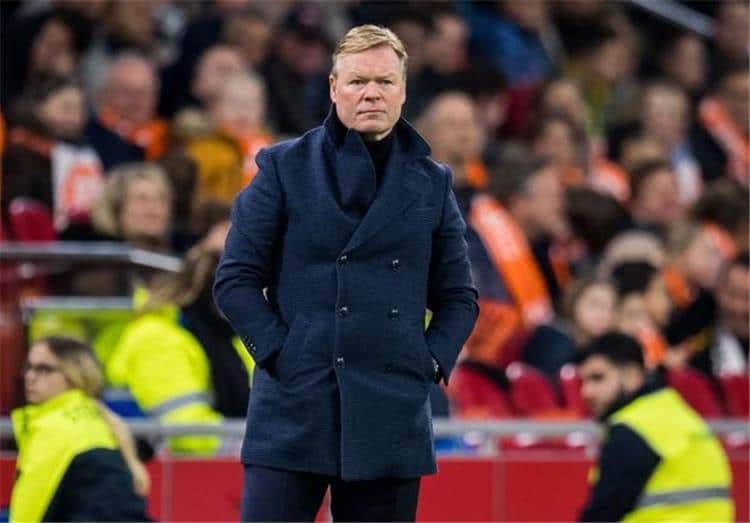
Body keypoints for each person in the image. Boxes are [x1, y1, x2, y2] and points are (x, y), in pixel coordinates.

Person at [214, 24, 478, 522]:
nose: (371, 93)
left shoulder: (433, 183)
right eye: (358, 81)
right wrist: (280, 354)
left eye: (384, 81)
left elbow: (459, 297)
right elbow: (235, 280)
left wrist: (427, 362)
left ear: (403, 91)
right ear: (334, 88)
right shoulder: (283, 167)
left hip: (391, 409)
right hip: (294, 406)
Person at [576, 332, 734, 522]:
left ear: (632, 375)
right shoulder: (678, 414)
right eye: (583, 381)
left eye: (598, 378)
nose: (586, 392)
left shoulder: (633, 429)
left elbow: (601, 514)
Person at [10, 336, 150, 522]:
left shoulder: (62, 429)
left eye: (44, 369)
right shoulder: (90, 419)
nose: (30, 377)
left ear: (74, 374)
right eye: (28, 367)